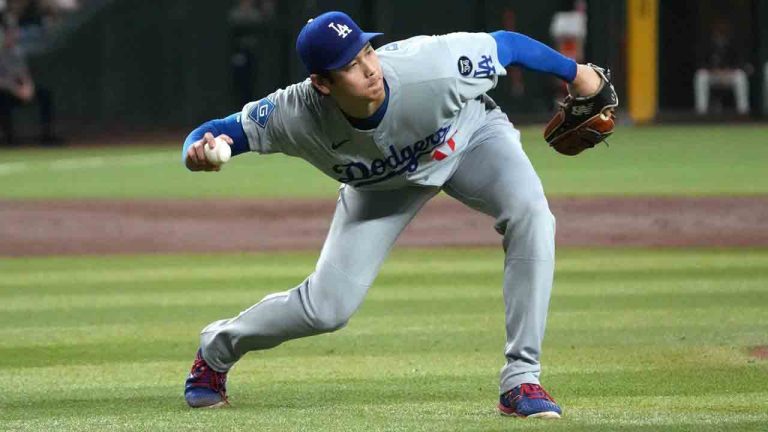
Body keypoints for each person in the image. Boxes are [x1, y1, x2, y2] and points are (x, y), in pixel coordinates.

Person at [182, 10, 606, 419]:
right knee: (327, 309)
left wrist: (578, 73)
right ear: (322, 83)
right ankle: (216, 350)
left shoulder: (433, 67)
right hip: (379, 189)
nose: (369, 68)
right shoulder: (294, 114)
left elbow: (508, 45)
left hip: (467, 140)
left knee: (531, 213)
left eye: (367, 51)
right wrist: (197, 153)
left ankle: (521, 380)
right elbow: (217, 132)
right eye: (351, 65)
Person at [0, 23, 55, 145]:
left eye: (14, 34)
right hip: (7, 91)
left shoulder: (17, 53)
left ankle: (47, 134)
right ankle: (9, 138)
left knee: (45, 94)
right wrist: (16, 90)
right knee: (2, 100)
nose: (12, 38)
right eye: (9, 35)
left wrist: (29, 88)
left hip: (22, 90)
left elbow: (24, 74)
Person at [693, 19, 750, 116]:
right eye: (718, 30)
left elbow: (740, 63)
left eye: (723, 31)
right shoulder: (707, 44)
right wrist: (713, 70)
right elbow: (700, 63)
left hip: (729, 75)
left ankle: (743, 111)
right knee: (700, 76)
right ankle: (701, 110)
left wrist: (728, 70)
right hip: (712, 75)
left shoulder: (733, 44)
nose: (721, 33)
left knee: (741, 76)